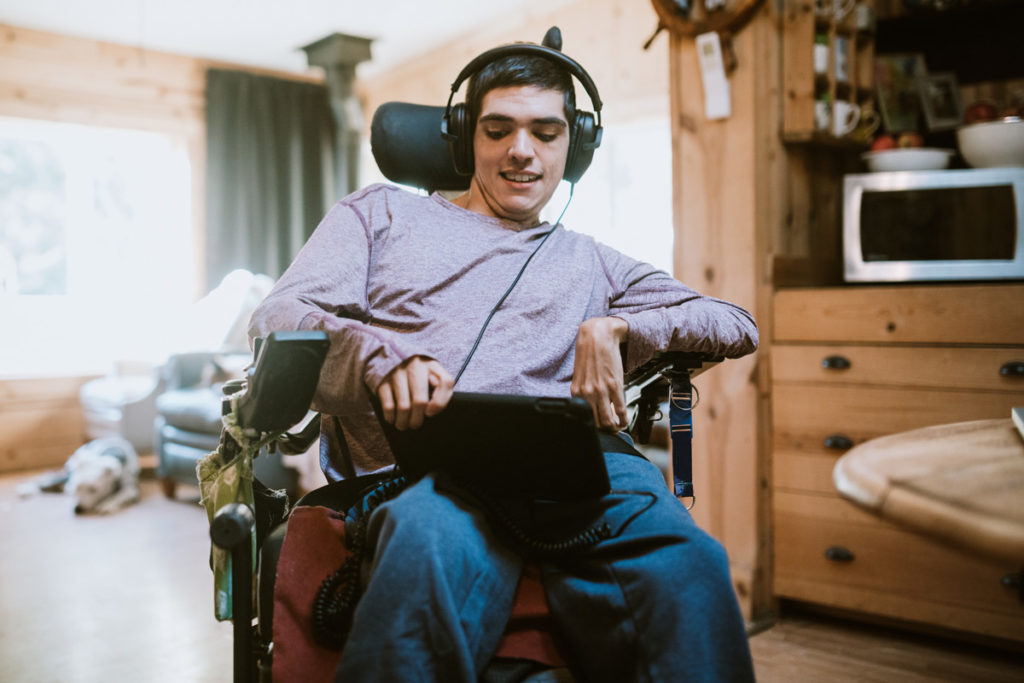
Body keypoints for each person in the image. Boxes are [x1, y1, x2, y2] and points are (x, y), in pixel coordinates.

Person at [249, 39, 758, 683]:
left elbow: (736, 324)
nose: (523, 150)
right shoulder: (380, 216)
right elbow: (277, 316)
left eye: (546, 133)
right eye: (499, 130)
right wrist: (379, 357)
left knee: (693, 569)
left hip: (580, 476)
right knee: (426, 543)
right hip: (429, 477)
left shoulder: (592, 260)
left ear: (572, 147)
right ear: (466, 138)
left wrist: (620, 327)